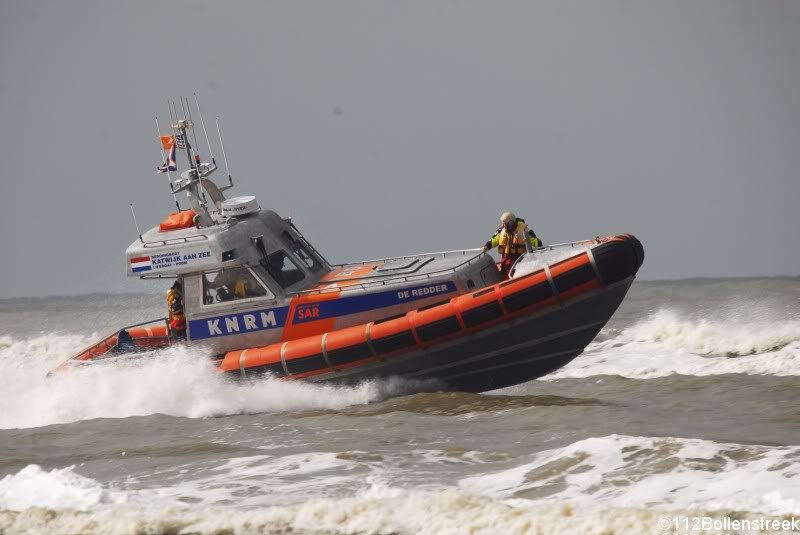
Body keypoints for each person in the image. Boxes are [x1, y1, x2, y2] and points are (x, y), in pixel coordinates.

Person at [482, 211, 543, 279]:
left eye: (504, 223)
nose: (502, 225)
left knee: (516, 274)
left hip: (520, 260)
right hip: (506, 261)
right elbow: (493, 240)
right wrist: (486, 246)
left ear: (510, 222)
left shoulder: (524, 230)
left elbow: (536, 241)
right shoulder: (501, 230)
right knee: (504, 273)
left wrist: (542, 253)